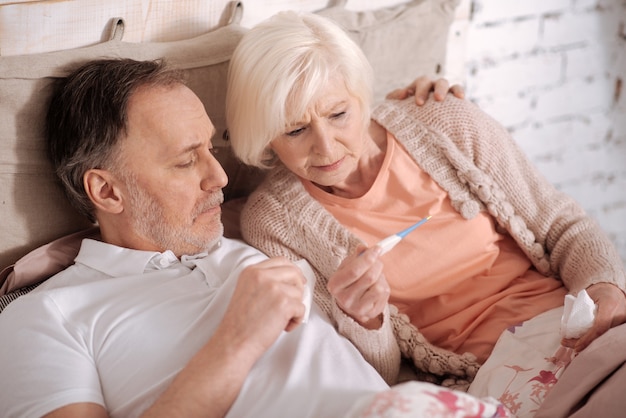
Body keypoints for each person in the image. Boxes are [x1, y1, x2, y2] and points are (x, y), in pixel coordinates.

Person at [0, 58, 479, 418]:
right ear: (106, 190)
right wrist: (237, 340)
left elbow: (373, 377)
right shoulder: (44, 316)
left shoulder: (256, 244)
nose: (220, 178)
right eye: (187, 161)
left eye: (211, 148)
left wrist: (402, 114)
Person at [225, 10, 626, 413]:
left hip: (572, 321)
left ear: (360, 97)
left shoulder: (443, 118)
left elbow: (562, 226)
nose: (326, 148)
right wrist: (365, 320)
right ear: (264, 137)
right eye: (295, 130)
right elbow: (374, 374)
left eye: (338, 114)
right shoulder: (274, 223)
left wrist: (606, 286)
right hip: (492, 375)